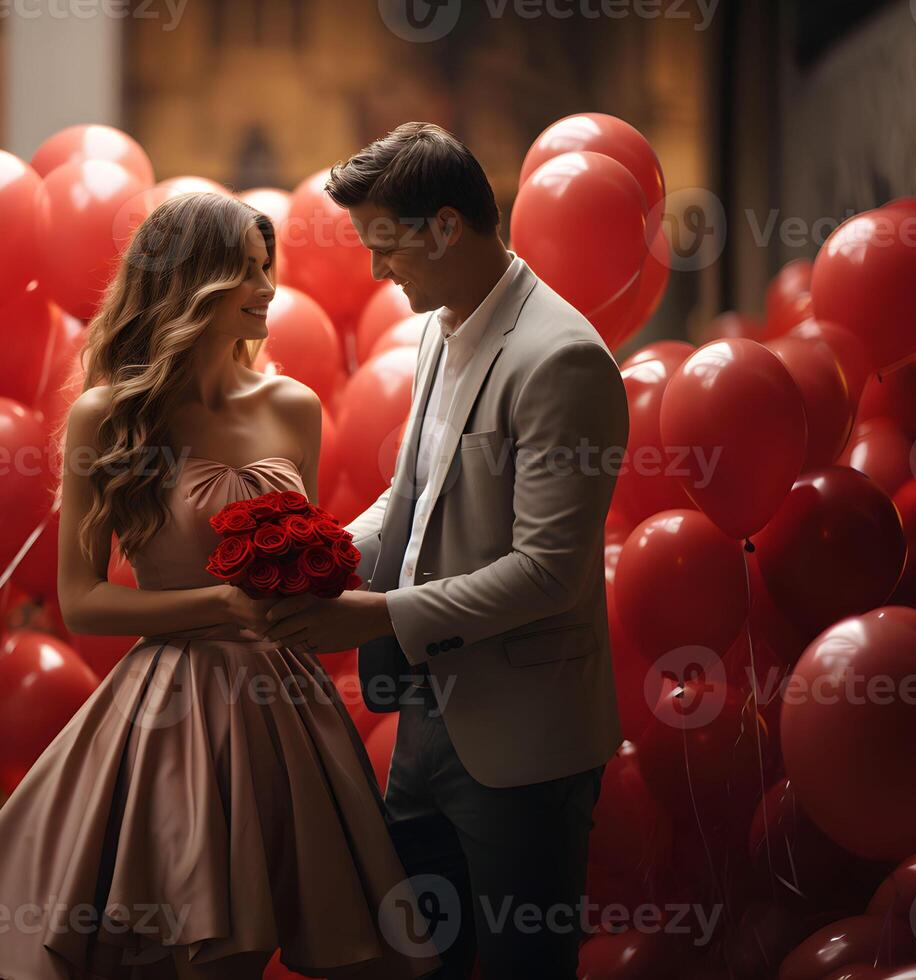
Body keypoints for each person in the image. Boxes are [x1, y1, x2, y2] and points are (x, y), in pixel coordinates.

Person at [0, 191, 439, 980]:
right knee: (178, 952)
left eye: (270, 271)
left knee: (272, 936)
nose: (269, 291)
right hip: (169, 711)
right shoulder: (107, 418)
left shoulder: (294, 408)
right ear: (196, 283)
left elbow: (308, 550)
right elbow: (83, 601)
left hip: (285, 711)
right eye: (252, 274)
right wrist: (219, 604)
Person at [263, 122, 630, 978]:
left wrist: (378, 613)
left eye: (387, 247)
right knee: (415, 962)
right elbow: (414, 496)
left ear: (447, 228)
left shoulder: (563, 359)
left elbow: (549, 573)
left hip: (524, 747)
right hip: (425, 726)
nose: (375, 272)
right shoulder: (438, 327)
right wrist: (318, 556)